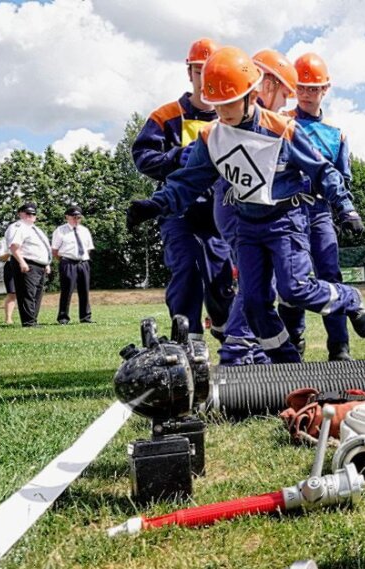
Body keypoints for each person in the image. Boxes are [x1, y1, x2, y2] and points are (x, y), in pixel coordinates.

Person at [126, 46, 365, 364]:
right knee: (255, 302)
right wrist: (154, 205)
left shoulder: (282, 129)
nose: (224, 112)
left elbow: (322, 169)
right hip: (246, 225)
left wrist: (345, 207)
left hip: (286, 221)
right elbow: (188, 181)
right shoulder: (210, 137)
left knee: (295, 289)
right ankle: (286, 361)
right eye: (218, 105)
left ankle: (350, 299)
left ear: (252, 94)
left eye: (231, 102)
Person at [132, 37, 234, 344]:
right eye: (199, 71)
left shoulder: (230, 117)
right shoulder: (166, 116)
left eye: (212, 71)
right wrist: (176, 157)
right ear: (189, 73)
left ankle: (222, 323)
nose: (205, 79)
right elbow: (143, 157)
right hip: (178, 211)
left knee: (221, 278)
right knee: (187, 267)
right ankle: (188, 339)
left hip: (220, 214)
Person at [214, 48, 301, 365]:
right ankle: (238, 348)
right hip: (244, 211)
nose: (284, 106)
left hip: (236, 208)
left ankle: (260, 350)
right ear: (269, 83)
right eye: (284, 96)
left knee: (262, 285)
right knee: (256, 285)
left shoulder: (244, 112)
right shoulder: (253, 117)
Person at [285, 51, 353, 360]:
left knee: (329, 272)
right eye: (302, 87)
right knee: (289, 276)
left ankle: (339, 346)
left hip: (320, 211)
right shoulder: (281, 123)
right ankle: (292, 340)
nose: (308, 94)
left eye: (315, 88)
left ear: (325, 89)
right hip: (286, 211)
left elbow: (342, 177)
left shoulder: (336, 135)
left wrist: (345, 208)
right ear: (293, 88)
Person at [4, 202, 51, 327]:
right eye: (27, 213)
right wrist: (22, 262)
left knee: (37, 294)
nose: (30, 216)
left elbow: (42, 248)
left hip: (39, 264)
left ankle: (33, 320)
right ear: (20, 214)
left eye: (33, 214)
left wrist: (46, 264)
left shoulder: (36, 229)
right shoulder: (18, 227)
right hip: (27, 262)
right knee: (27, 293)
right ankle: (28, 322)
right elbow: (14, 247)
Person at [50, 204, 93, 324]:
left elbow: (88, 249)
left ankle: (85, 317)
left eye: (78, 217)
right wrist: (65, 260)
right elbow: (55, 250)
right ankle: (63, 317)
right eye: (73, 217)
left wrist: (81, 259)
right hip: (68, 262)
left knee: (84, 290)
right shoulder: (60, 231)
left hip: (83, 263)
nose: (76, 219)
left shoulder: (85, 230)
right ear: (67, 217)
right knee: (67, 291)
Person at [0, 224, 17, 324]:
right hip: (10, 266)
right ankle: (8, 319)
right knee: (12, 293)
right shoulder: (4, 241)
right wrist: (11, 252)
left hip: (26, 266)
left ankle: (29, 317)